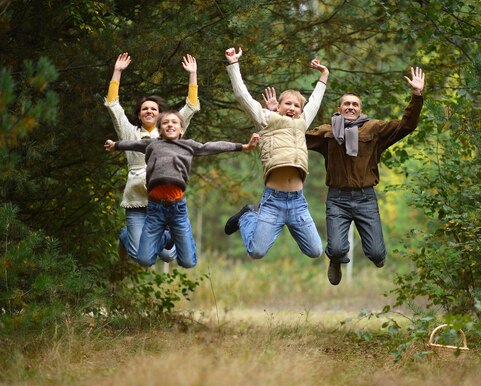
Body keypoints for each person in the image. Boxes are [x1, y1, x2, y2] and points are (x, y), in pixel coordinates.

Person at [283, 67, 425, 285]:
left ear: (360, 109)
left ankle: (375, 254)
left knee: (377, 254)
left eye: (354, 104)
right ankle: (336, 259)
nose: (350, 106)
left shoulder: (374, 129)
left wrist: (416, 96)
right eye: (346, 104)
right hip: (337, 199)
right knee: (338, 248)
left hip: (365, 198)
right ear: (339, 109)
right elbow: (295, 136)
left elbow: (406, 125)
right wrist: (280, 115)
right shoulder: (326, 132)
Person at [104, 110, 259, 267]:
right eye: (165, 123)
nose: (170, 124)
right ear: (160, 129)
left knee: (188, 262)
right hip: (155, 210)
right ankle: (151, 237)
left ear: (181, 129)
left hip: (177, 209)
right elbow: (133, 144)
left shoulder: (188, 146)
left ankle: (169, 236)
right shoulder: (152, 144)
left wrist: (244, 146)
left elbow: (213, 146)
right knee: (144, 260)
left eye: (174, 122)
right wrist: (116, 145)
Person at [223, 47, 329, 260]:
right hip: (273, 202)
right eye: (288, 103)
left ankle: (261, 218)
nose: (292, 107)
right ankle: (247, 217)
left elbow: (315, 102)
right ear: (278, 106)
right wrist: (233, 64)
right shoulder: (266, 120)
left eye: (297, 105)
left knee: (316, 251)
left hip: (298, 202)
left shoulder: (302, 123)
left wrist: (324, 76)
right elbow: (242, 96)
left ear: (301, 109)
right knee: (256, 251)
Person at [104, 52, 200, 263]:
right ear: (139, 114)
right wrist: (117, 71)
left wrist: (192, 75)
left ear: (161, 115)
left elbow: (191, 108)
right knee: (141, 258)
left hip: (163, 203)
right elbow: (113, 106)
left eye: (153, 109)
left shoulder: (170, 132)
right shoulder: (130, 133)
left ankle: (162, 236)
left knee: (168, 255)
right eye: (144, 109)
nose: (149, 111)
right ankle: (126, 235)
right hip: (137, 201)